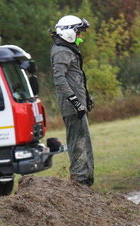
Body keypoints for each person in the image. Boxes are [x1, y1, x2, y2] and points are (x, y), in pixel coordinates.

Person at [50, 15, 95, 186]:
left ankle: (85, 180)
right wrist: (75, 101)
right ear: (68, 32)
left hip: (78, 106)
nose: (79, 36)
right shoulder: (61, 51)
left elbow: (75, 78)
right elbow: (59, 79)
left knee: (84, 142)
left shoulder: (67, 49)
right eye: (77, 32)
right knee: (78, 142)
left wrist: (85, 100)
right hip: (72, 107)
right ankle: (80, 181)